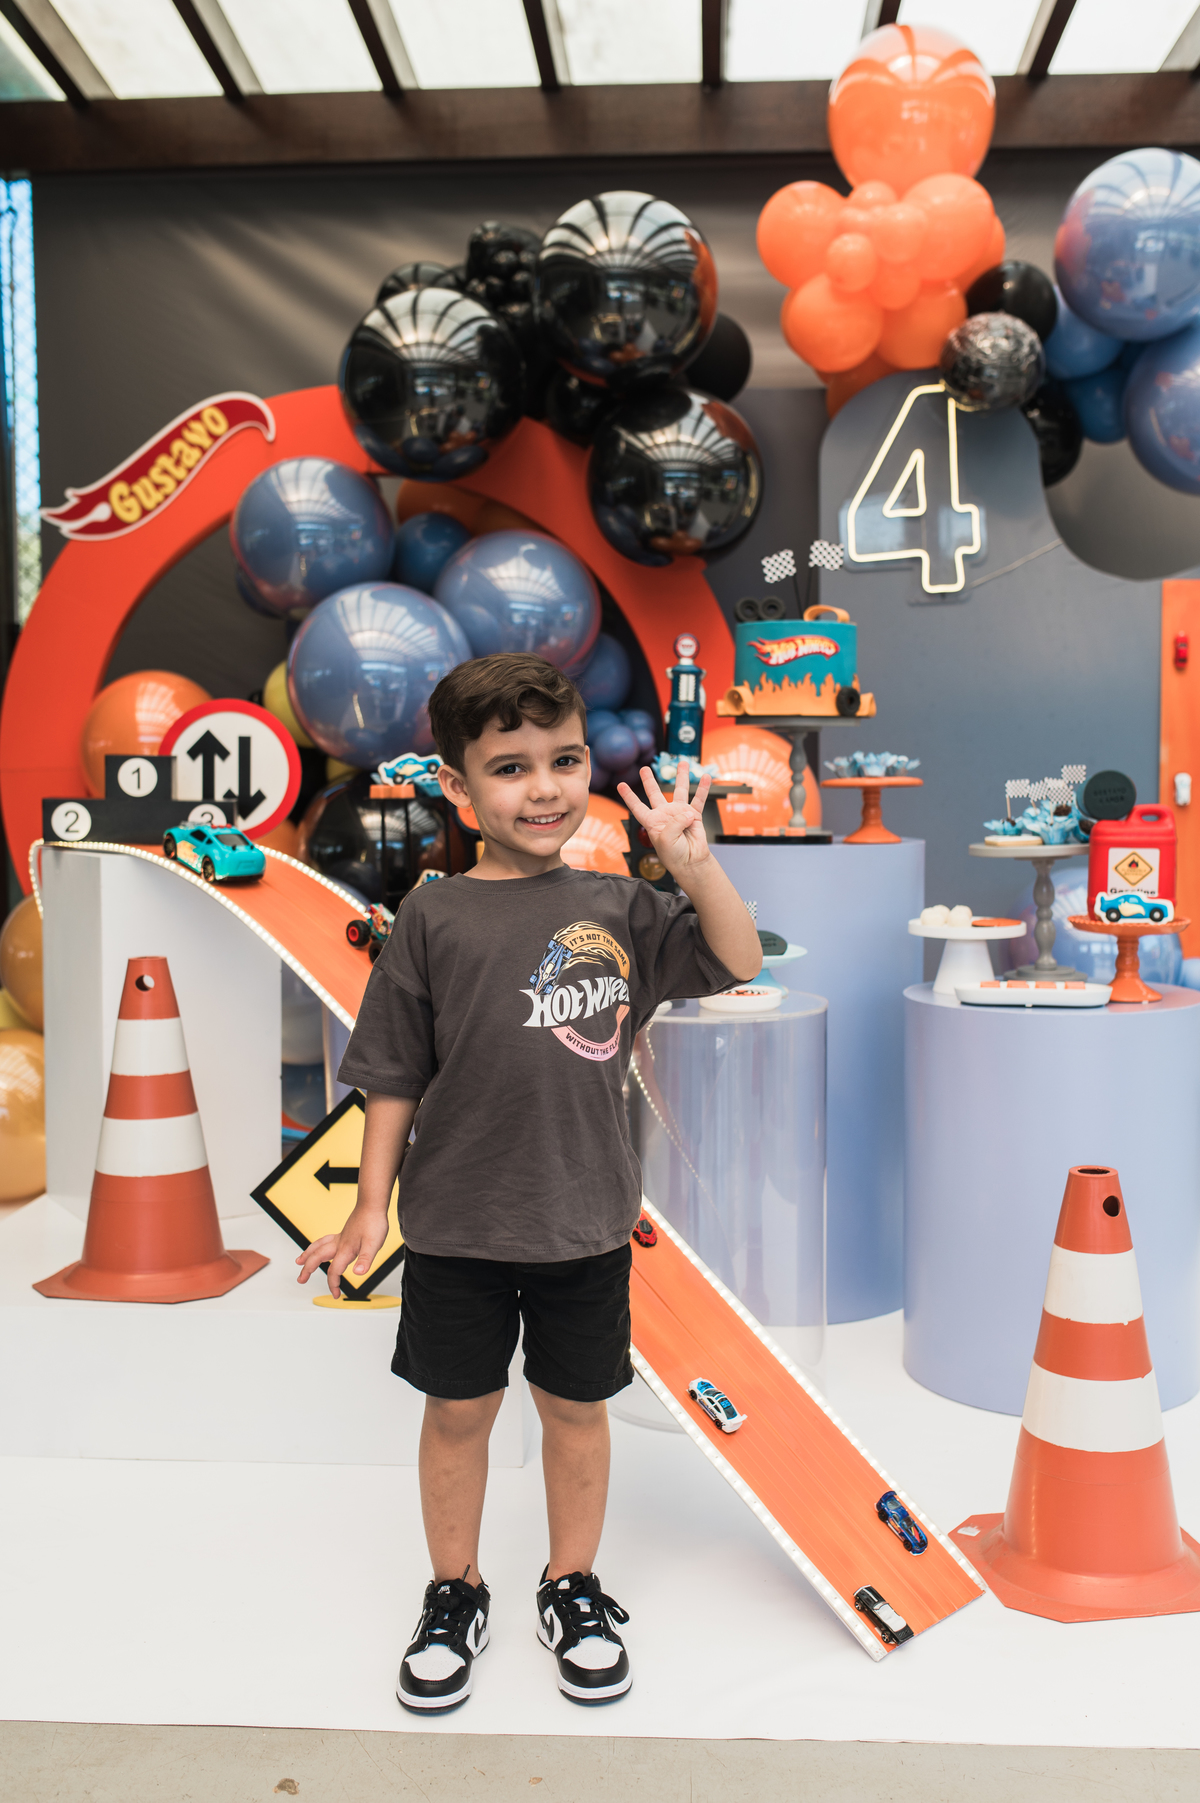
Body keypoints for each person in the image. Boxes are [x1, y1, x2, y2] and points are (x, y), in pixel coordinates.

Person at [297, 651, 761, 1713]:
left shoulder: (623, 906)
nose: (544, 788)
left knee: (575, 1411)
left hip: (583, 1222)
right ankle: (454, 1592)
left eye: (565, 760)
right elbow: (392, 1075)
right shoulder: (431, 918)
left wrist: (693, 865)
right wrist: (369, 1207)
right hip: (455, 1226)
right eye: (510, 768)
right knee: (458, 1413)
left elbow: (737, 959)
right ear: (457, 788)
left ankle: (572, 1586)